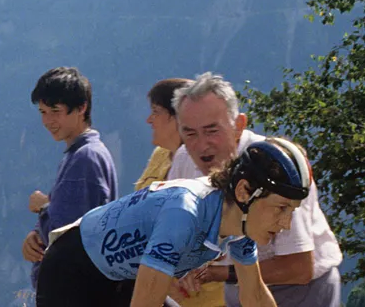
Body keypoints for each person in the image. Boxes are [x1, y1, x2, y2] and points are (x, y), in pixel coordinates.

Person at [35, 138, 313, 307]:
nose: (286, 223)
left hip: (116, 278)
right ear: (244, 191)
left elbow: (254, 296)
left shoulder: (241, 226)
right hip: (69, 273)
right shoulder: (184, 216)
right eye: (281, 208)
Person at [167, 73, 343, 307]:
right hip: (239, 287)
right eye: (190, 133)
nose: (201, 145)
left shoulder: (274, 167)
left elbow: (299, 267)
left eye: (212, 131)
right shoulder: (183, 162)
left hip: (302, 293)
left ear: (239, 126)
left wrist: (213, 273)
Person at [21, 67, 118, 289]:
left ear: (81, 108)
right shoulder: (85, 153)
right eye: (43, 112)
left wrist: (43, 206)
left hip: (74, 289)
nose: (48, 121)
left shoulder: (84, 159)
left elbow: (68, 234)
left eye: (55, 111)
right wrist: (35, 235)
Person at [134, 78, 193, 190]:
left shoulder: (198, 161)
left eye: (156, 111)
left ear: (179, 116)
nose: (149, 120)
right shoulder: (160, 154)